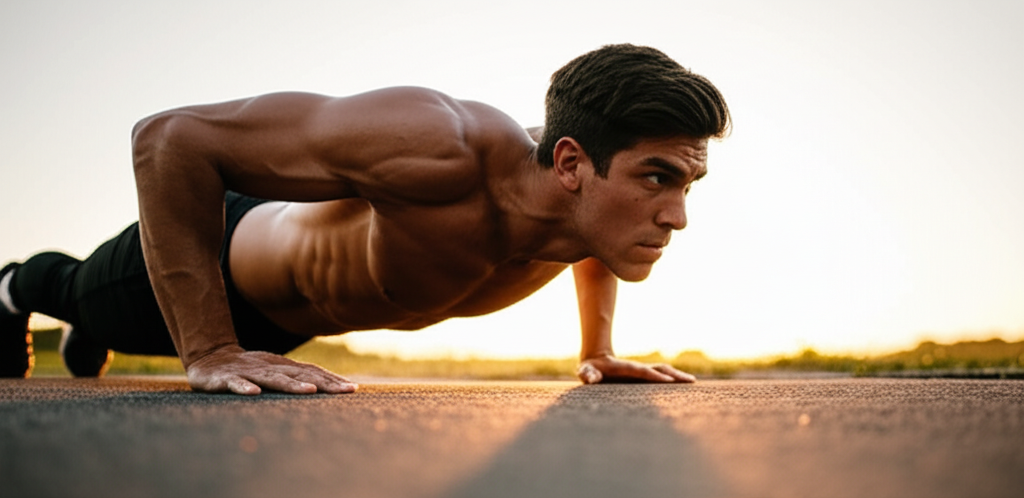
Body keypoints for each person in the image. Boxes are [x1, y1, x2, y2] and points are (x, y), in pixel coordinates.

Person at [0, 44, 730, 395]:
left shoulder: (582, 212)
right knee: (67, 288)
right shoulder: (435, 145)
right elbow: (168, 139)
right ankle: (12, 291)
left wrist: (597, 349)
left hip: (292, 329)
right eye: (658, 178)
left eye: (689, 183)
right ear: (570, 163)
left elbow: (588, 242)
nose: (678, 216)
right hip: (221, 265)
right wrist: (213, 348)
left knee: (90, 310)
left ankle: (83, 321)